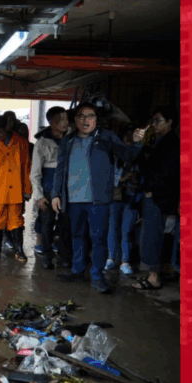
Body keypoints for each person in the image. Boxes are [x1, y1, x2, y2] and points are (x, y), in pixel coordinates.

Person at [51, 102, 146, 293]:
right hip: (73, 199)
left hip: (98, 200)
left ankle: (97, 276)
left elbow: (127, 155)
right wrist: (55, 194)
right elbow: (60, 169)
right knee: (77, 236)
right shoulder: (68, 141)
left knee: (98, 239)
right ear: (75, 120)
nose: (86, 120)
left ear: (96, 119)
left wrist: (137, 142)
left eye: (90, 116)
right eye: (81, 116)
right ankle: (78, 270)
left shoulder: (106, 137)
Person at [131, 106, 180, 290]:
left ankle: (154, 278)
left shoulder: (172, 144)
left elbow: (168, 173)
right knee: (149, 236)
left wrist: (152, 190)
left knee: (153, 237)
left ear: (170, 122)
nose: (154, 124)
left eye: (158, 120)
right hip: (154, 196)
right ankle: (153, 274)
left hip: (160, 198)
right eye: (154, 121)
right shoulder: (160, 141)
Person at [0, 115, 31, 261]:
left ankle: (19, 249)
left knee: (17, 220)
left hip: (16, 190)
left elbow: (26, 167)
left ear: (6, 128)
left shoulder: (21, 142)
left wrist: (27, 189)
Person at [30, 106, 68, 269]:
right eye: (61, 120)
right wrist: (39, 196)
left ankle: (64, 256)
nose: (65, 123)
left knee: (66, 223)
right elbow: (35, 173)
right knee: (47, 223)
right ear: (52, 122)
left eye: (66, 119)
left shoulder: (71, 139)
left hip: (68, 188)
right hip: (47, 189)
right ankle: (46, 255)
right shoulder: (42, 143)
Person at [106, 125, 141, 277]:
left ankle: (125, 261)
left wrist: (135, 179)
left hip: (131, 196)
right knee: (113, 228)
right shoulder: (114, 155)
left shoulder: (139, 155)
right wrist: (121, 179)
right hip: (115, 196)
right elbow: (106, 175)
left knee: (127, 230)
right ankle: (111, 258)